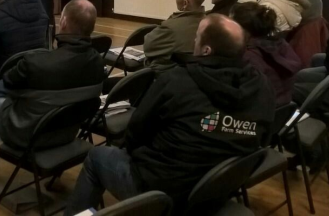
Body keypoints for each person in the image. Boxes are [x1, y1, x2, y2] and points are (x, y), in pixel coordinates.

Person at [65, 15, 275, 215]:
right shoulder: (260, 85)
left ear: (206, 49)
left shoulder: (176, 81)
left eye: (197, 37)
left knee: (96, 157)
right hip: (217, 187)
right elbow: (263, 136)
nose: (194, 40)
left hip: (162, 191)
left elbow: (136, 131)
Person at [0, 0, 104, 176]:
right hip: (69, 131)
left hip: (30, 135)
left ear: (64, 22)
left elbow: (8, 80)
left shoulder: (36, 63)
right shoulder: (98, 63)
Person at [231, 2, 302, 106]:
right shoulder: (280, 46)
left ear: (243, 30)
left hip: (256, 115)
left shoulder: (247, 58)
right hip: (281, 109)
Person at [143, 0, 206, 71]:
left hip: (165, 77)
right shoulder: (209, 23)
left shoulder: (170, 27)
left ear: (185, 3)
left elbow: (148, 47)